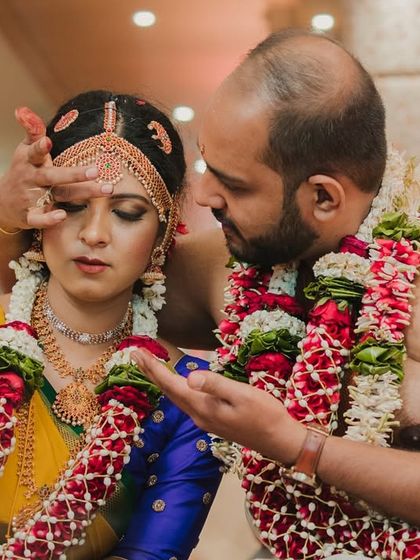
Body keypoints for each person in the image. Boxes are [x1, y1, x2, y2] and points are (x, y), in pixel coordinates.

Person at [1, 29, 420, 559]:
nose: (203, 195)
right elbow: (65, 281)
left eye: (235, 184)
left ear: (322, 196)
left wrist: (297, 446)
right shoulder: (228, 266)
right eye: (205, 165)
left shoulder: (404, 288)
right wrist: (7, 214)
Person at [0, 90, 222, 560]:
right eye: (73, 205)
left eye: (126, 213)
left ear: (162, 234)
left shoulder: (185, 397)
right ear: (37, 213)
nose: (94, 233)